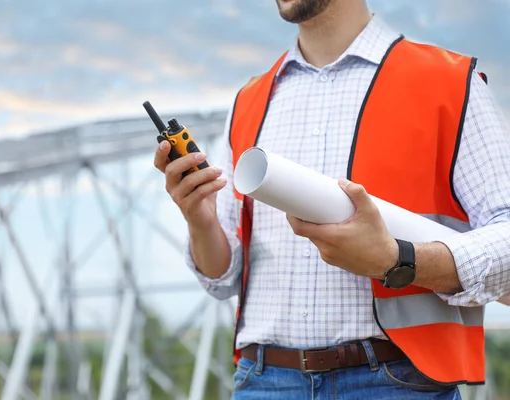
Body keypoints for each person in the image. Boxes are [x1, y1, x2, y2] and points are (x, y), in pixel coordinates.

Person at [153, 0, 510, 398]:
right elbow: (224, 279)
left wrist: (398, 260)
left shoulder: (450, 82)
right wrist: (201, 221)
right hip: (264, 382)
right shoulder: (248, 101)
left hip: (397, 383)